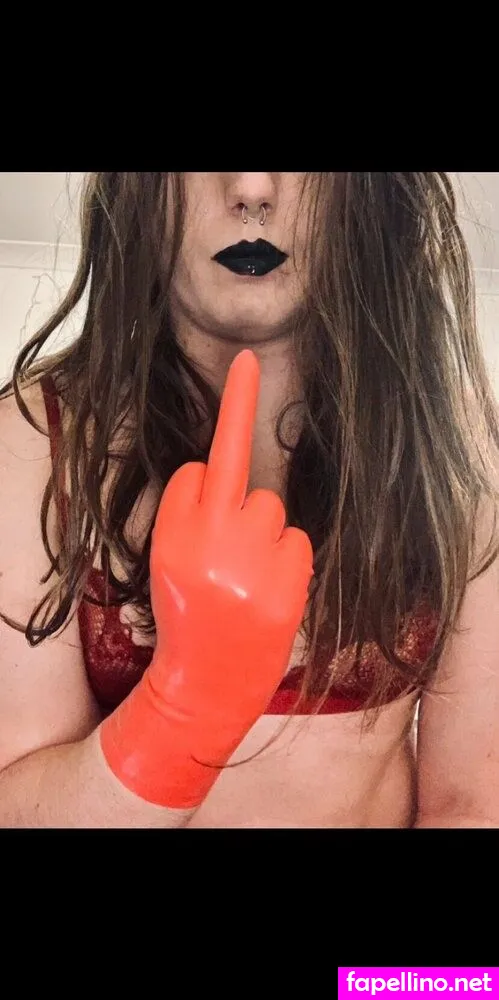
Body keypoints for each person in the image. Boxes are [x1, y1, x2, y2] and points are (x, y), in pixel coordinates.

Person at [0, 171, 498, 829]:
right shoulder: (30, 445)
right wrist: (183, 711)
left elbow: (471, 805)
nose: (253, 189)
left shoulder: (460, 454)